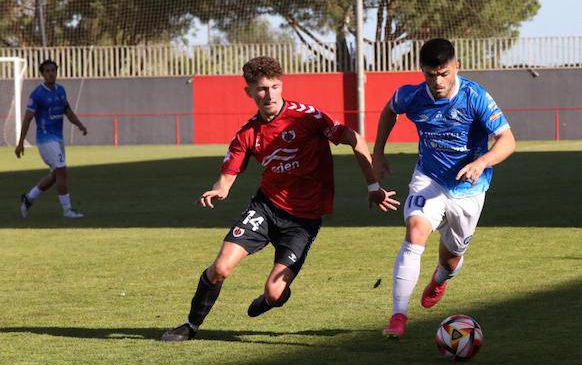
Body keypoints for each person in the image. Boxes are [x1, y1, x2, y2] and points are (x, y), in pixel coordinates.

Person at [162, 56, 399, 342]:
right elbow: (226, 179)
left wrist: (373, 185)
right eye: (261, 89)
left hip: (303, 220)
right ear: (248, 91)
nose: (270, 94)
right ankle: (190, 326)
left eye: (275, 86)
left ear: (281, 84)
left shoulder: (307, 117)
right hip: (266, 208)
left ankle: (272, 300)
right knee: (221, 267)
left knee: (274, 291)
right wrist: (219, 189)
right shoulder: (247, 133)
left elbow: (355, 139)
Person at [373, 38, 516, 339]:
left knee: (451, 259)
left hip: (469, 189)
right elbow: (389, 110)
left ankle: (440, 279)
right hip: (429, 178)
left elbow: (508, 140)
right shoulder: (411, 95)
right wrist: (379, 152)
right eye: (430, 74)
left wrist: (482, 162)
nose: (437, 81)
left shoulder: (474, 96)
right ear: (422, 71)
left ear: (456, 67)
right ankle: (398, 316)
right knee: (415, 230)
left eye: (444, 73)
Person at [15, 59, 87, 219]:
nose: (51, 73)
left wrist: (80, 125)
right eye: (47, 71)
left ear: (57, 71)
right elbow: (27, 119)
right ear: (42, 74)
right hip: (45, 140)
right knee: (62, 171)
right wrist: (20, 142)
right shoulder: (37, 94)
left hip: (58, 139)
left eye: (53, 70)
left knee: (56, 175)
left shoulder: (60, 90)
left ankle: (29, 198)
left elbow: (67, 111)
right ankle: (67, 210)